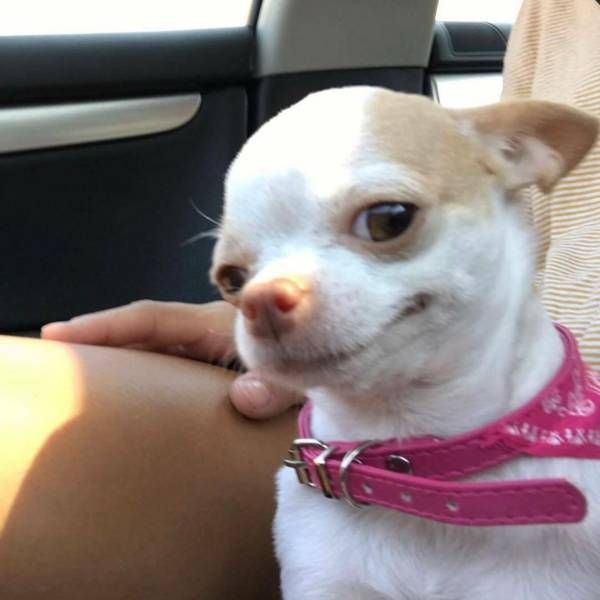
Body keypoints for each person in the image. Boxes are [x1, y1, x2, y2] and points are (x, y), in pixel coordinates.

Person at [0, 0, 598, 597]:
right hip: (340, 480)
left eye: (387, 221)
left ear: (522, 151)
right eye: (236, 279)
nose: (264, 299)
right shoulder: (556, 13)